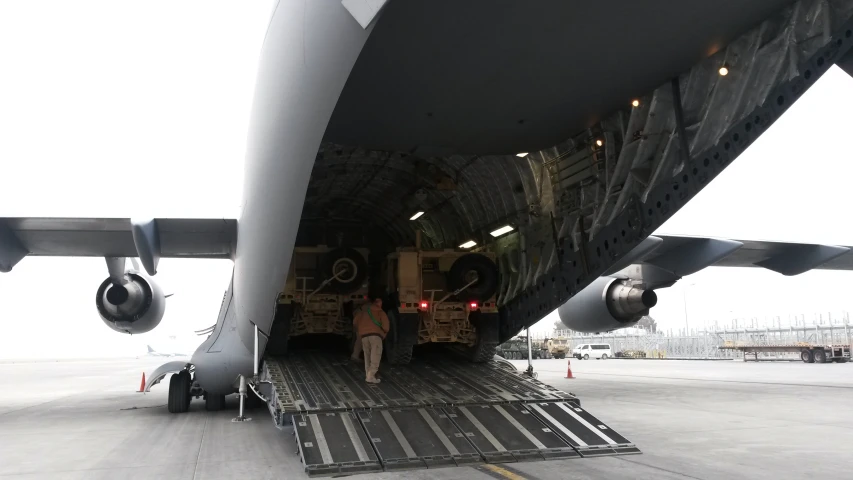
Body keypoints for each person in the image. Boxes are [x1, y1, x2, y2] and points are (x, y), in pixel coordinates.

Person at [353, 297, 389, 383]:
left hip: (364, 337)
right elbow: (386, 327)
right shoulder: (380, 312)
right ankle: (371, 376)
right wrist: (383, 334)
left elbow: (354, 322)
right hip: (375, 336)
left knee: (367, 356)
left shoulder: (363, 312)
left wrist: (362, 329)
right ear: (379, 304)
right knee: (375, 356)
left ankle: (368, 375)